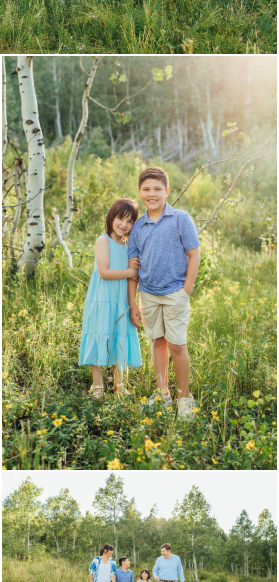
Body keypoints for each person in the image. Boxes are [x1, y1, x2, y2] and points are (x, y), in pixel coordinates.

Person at [127, 167, 200, 421]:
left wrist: (186, 290)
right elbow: (133, 268)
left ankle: (184, 397)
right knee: (157, 342)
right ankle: (162, 394)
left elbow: (194, 254)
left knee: (178, 345)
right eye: (146, 189)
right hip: (148, 294)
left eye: (157, 189)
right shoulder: (137, 227)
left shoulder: (180, 218)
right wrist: (133, 302)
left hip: (175, 293)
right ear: (140, 193)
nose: (152, 194)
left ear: (167, 191)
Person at [78, 198, 142, 400]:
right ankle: (98, 387)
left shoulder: (129, 244)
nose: (124, 225)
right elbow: (104, 272)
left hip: (120, 299)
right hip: (103, 298)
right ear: (111, 218)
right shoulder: (103, 240)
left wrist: (134, 277)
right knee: (99, 336)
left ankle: (119, 385)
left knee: (119, 338)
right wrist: (130, 272)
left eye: (130, 221)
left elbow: (134, 274)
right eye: (120, 219)